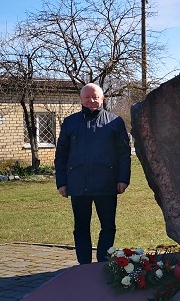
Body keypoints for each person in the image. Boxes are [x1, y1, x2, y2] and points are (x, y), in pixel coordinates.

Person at [55, 83, 131, 264]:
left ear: (103, 98)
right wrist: (61, 182)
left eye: (95, 96)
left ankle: (103, 263)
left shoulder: (114, 122)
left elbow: (124, 153)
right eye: (87, 97)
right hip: (78, 185)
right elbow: (61, 154)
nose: (92, 100)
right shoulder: (70, 122)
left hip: (107, 184)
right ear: (81, 99)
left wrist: (122, 179)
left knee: (108, 227)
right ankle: (84, 265)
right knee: (81, 227)